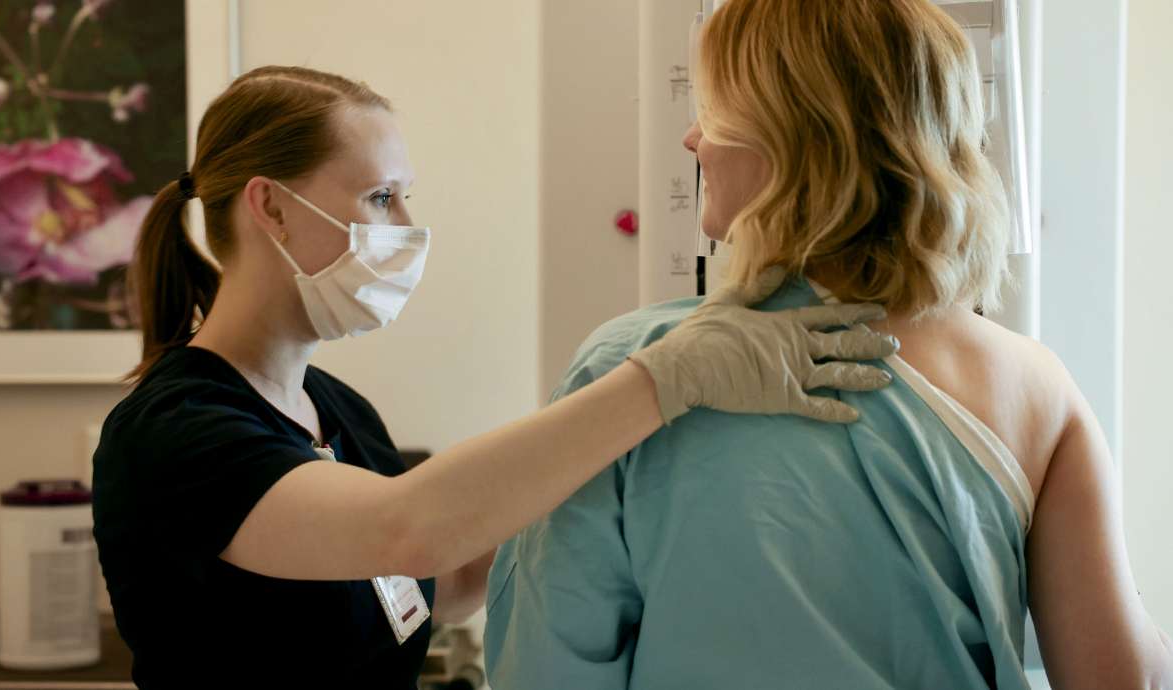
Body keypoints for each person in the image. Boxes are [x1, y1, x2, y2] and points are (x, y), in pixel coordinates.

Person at [90, 65, 900, 688]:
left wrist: (628, 487)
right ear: (269, 207)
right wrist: (663, 377)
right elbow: (406, 530)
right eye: (379, 197)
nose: (407, 229)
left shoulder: (335, 410)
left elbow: (443, 581)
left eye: (406, 196)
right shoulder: (176, 430)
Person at [483, 1, 1173, 689]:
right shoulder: (1031, 386)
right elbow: (1120, 677)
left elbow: (545, 667)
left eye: (715, 110)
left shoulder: (640, 374)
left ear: (793, 137)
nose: (693, 139)